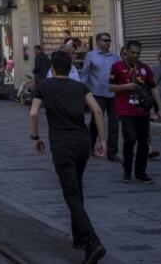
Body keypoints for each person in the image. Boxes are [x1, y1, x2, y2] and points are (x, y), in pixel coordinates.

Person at [29, 50, 107, 264]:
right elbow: (97, 112)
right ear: (70, 66)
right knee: (78, 186)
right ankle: (80, 237)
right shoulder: (80, 86)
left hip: (61, 144)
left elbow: (34, 112)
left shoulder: (44, 85)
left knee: (70, 193)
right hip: (82, 142)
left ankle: (92, 241)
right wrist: (102, 139)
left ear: (52, 68)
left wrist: (35, 137)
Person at [108, 40, 161, 183]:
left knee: (144, 143)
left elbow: (153, 88)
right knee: (130, 139)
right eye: (132, 52)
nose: (135, 55)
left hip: (143, 111)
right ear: (125, 51)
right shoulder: (117, 67)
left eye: (138, 53)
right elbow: (111, 87)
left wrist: (160, 109)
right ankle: (127, 171)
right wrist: (126, 86)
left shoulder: (145, 68)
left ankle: (140, 172)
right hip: (125, 110)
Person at [80, 33, 121, 161]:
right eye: (105, 40)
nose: (108, 42)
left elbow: (119, 74)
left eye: (109, 40)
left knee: (114, 124)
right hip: (96, 94)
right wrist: (83, 91)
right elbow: (85, 74)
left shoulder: (114, 56)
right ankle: (90, 147)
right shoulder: (91, 55)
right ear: (98, 42)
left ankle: (112, 152)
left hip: (113, 94)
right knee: (95, 123)